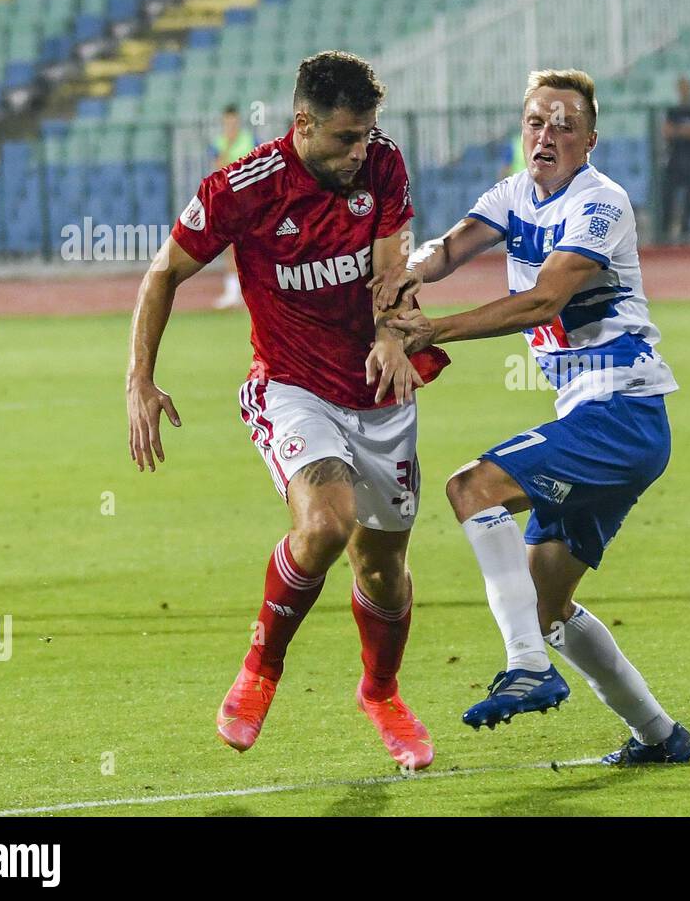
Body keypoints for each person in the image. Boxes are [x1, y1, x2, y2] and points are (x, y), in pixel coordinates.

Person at [125, 51, 449, 770]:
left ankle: (381, 692)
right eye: (344, 138)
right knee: (325, 523)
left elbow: (394, 266)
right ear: (302, 124)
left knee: (383, 568)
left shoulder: (384, 164)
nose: (359, 150)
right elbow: (163, 271)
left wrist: (396, 335)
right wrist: (139, 380)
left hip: (378, 388)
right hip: (293, 386)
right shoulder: (244, 187)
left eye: (367, 134)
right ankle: (261, 668)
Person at [371, 69, 690, 766]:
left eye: (564, 126)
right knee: (546, 602)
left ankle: (528, 664)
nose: (546, 135)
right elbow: (452, 247)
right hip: (598, 417)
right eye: (536, 122)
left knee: (471, 487)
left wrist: (433, 332)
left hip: (623, 411)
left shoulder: (600, 203)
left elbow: (542, 302)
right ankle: (662, 737)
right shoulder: (512, 193)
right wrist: (407, 273)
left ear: (589, 141)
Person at [210, 105, 255, 310]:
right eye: (228, 121)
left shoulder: (250, 139)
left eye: (234, 121)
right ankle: (232, 292)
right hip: (230, 201)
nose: (231, 125)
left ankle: (255, 290)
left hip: (250, 200)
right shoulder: (219, 143)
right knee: (230, 246)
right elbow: (217, 170)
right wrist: (227, 145)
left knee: (254, 246)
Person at [659, 76, 690, 244]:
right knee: (668, 197)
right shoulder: (673, 110)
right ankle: (664, 235)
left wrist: (679, 130)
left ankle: (687, 233)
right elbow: (667, 131)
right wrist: (684, 130)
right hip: (674, 159)